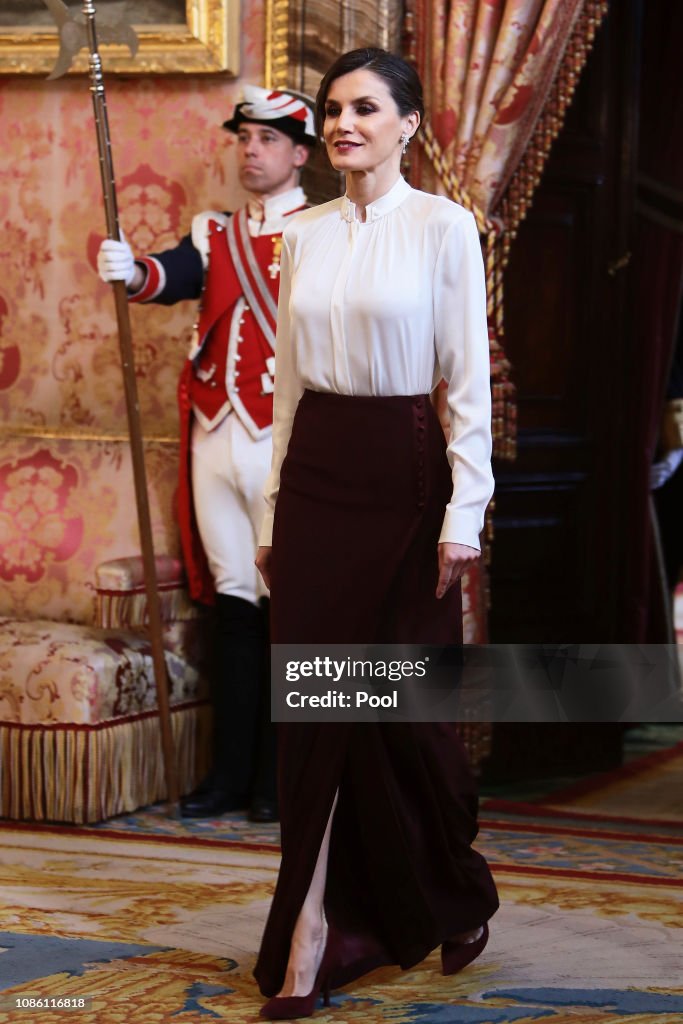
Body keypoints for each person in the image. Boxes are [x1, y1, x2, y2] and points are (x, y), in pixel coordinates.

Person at [252, 48, 499, 1020]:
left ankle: (450, 892)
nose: (343, 123)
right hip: (315, 479)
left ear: (406, 123)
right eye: (333, 109)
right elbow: (285, 390)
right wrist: (274, 509)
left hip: (405, 483)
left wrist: (462, 515)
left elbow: (466, 386)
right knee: (310, 709)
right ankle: (306, 937)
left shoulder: (445, 229)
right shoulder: (301, 235)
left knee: (407, 717)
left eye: (364, 108)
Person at [97, 85, 316, 824]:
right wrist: (130, 270)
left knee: (292, 612)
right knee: (232, 607)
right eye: (243, 138)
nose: (250, 150)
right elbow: (170, 279)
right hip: (215, 438)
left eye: (267, 139)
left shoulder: (324, 230)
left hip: (288, 442)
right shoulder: (214, 232)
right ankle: (228, 776)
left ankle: (281, 782)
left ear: (300, 153)